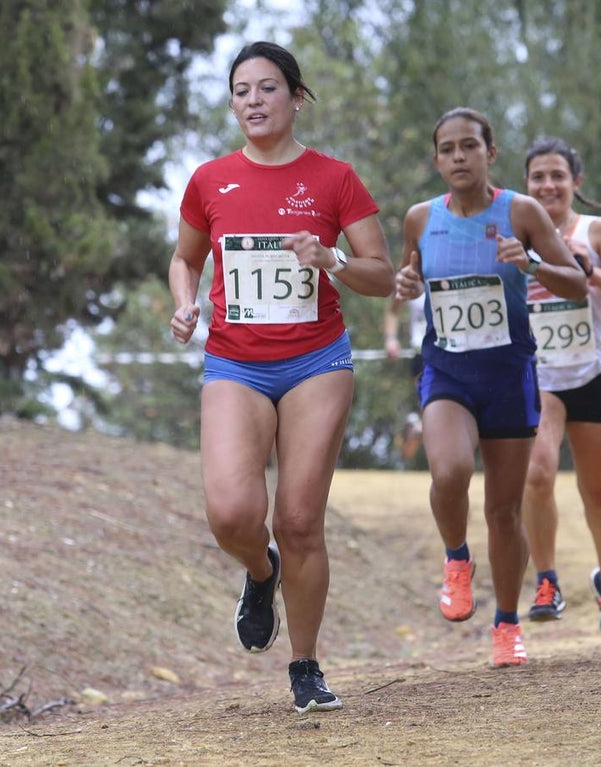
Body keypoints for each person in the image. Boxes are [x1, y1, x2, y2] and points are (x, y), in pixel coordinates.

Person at [168, 41, 394, 714]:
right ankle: (259, 572)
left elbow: (381, 275)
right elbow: (184, 260)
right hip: (235, 359)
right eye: (242, 90)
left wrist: (332, 259)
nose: (255, 101)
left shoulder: (335, 179)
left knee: (300, 519)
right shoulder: (210, 180)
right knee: (232, 512)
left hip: (316, 360)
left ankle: (305, 665)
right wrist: (184, 302)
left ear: (296, 98)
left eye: (269, 88)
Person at [394, 107, 588, 668]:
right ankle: (457, 559)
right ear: (436, 159)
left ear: (490, 153)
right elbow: (405, 280)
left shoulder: (521, 212)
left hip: (508, 373)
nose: (458, 156)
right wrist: (405, 283)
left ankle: (506, 623)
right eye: (448, 148)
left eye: (469, 146)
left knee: (504, 511)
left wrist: (529, 263)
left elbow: (576, 281)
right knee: (450, 470)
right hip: (448, 370)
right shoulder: (419, 218)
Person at [519, 138, 601, 646]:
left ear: (576, 182)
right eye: (537, 177)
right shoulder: (514, 228)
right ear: (525, 183)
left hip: (595, 374)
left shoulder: (598, 231)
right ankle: (547, 581)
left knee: (598, 494)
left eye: (557, 176)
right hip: (540, 374)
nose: (547, 185)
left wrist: (590, 271)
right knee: (536, 473)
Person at [382, 293, 427, 461]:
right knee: (430, 406)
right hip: (421, 354)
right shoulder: (411, 275)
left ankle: (419, 427)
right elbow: (393, 308)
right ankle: (420, 427)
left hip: (456, 354)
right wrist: (390, 339)